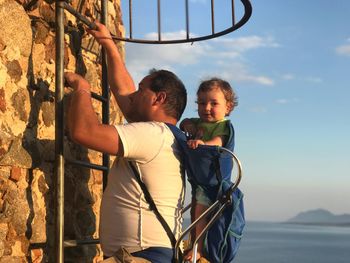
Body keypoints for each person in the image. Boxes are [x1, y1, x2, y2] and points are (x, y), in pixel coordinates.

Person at [65, 21, 187, 263]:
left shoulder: (153, 135)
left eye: (141, 89)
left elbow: (84, 131)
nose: (133, 94)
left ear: (158, 98)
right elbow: (124, 91)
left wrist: (82, 88)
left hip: (142, 256)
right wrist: (109, 44)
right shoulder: (169, 137)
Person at [179, 78, 238, 261]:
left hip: (215, 182)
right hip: (199, 181)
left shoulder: (223, 126)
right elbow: (184, 123)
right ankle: (195, 246)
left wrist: (203, 143)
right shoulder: (199, 122)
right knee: (196, 213)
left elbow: (219, 142)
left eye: (214, 103)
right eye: (202, 103)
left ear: (227, 107)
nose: (207, 108)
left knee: (201, 216)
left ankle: (198, 249)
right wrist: (186, 123)